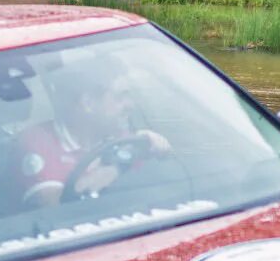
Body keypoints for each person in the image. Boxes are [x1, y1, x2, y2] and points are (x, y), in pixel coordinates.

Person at [15, 58, 172, 207]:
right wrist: (117, 166)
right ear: (88, 103)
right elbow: (58, 209)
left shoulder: (120, 136)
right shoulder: (38, 142)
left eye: (129, 96)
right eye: (120, 97)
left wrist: (153, 146)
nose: (131, 105)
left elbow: (166, 177)